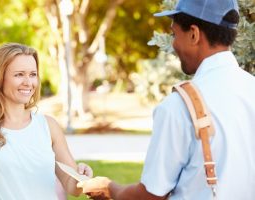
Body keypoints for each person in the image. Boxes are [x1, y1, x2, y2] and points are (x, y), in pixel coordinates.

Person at [78, 0, 255, 199]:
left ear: (194, 34)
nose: (173, 44)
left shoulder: (178, 107)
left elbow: (151, 196)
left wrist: (110, 188)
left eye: (174, 34)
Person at [0, 43, 93, 200]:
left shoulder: (48, 126)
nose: (28, 82)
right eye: (19, 74)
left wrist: (81, 175)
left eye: (33, 74)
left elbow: (72, 186)